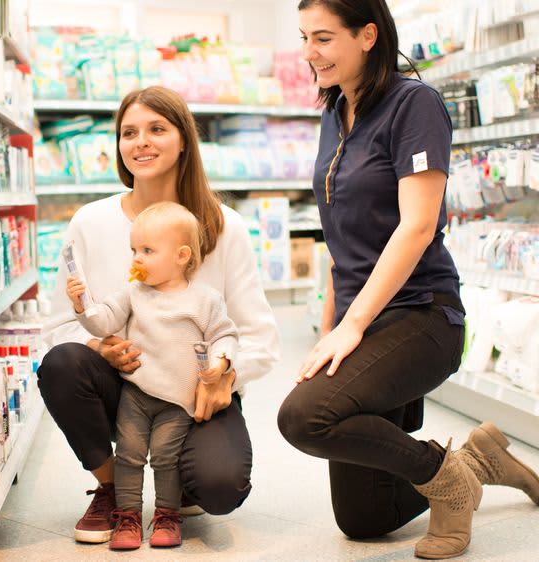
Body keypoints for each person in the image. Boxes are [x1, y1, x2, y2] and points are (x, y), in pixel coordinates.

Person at [276, 1, 539, 560]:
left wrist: (350, 328)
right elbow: (337, 241)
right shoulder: (334, 113)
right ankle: (477, 460)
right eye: (303, 37)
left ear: (368, 35)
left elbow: (417, 227)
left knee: (303, 418)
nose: (308, 53)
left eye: (322, 38)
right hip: (361, 319)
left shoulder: (413, 105)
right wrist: (328, 331)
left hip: (422, 315)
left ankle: (449, 482)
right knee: (365, 520)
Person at [39, 85, 280, 545]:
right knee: (63, 363)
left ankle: (183, 477)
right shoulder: (90, 222)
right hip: (123, 388)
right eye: (128, 132)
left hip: (196, 393)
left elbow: (258, 337)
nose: (140, 142)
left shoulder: (225, 226)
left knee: (220, 486)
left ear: (185, 139)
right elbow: (57, 329)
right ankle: (111, 489)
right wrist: (100, 347)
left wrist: (224, 373)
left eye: (156, 129)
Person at [65, 201, 239, 550]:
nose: (136, 259)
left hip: (178, 400)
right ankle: (127, 517)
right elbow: (102, 321)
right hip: (137, 393)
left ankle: (167, 515)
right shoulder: (133, 294)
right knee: (128, 453)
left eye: (147, 250)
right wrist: (83, 305)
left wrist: (220, 365)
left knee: (164, 456)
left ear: (181, 255)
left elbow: (225, 335)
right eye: (133, 250)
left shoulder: (205, 300)